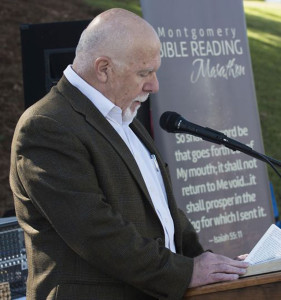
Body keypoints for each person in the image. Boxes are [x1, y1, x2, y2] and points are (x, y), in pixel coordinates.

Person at [10, 8, 248, 300]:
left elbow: (162, 211)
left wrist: (210, 264)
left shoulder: (123, 117)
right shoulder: (46, 126)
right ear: (103, 69)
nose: (154, 85)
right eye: (144, 73)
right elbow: (95, 232)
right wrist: (185, 272)